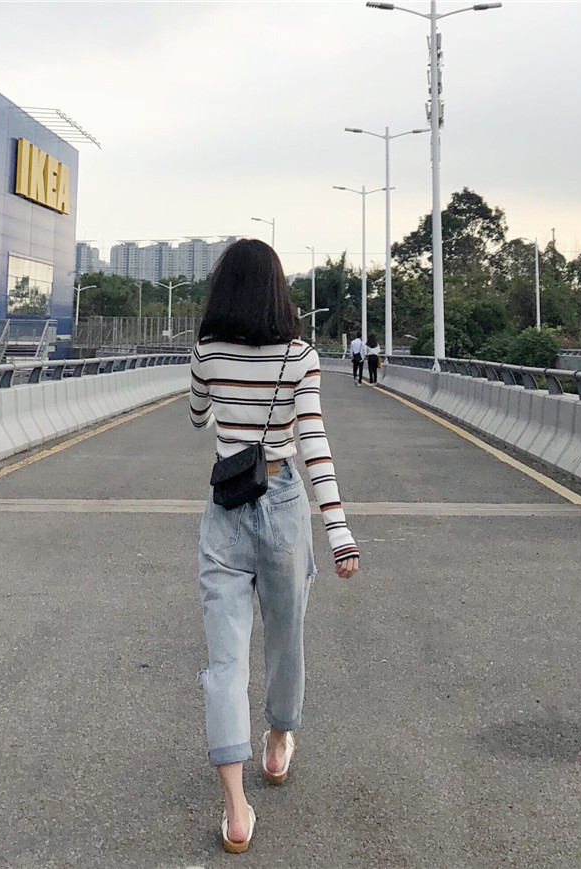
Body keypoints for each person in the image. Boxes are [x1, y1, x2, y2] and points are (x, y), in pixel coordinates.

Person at [189, 239, 359, 853]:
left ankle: (236, 811)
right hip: (285, 503)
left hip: (226, 506)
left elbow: (197, 416)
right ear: (277, 290)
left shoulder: (206, 350)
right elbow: (313, 441)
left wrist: (221, 398)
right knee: (286, 640)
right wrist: (339, 531)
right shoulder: (300, 356)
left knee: (225, 661)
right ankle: (279, 741)